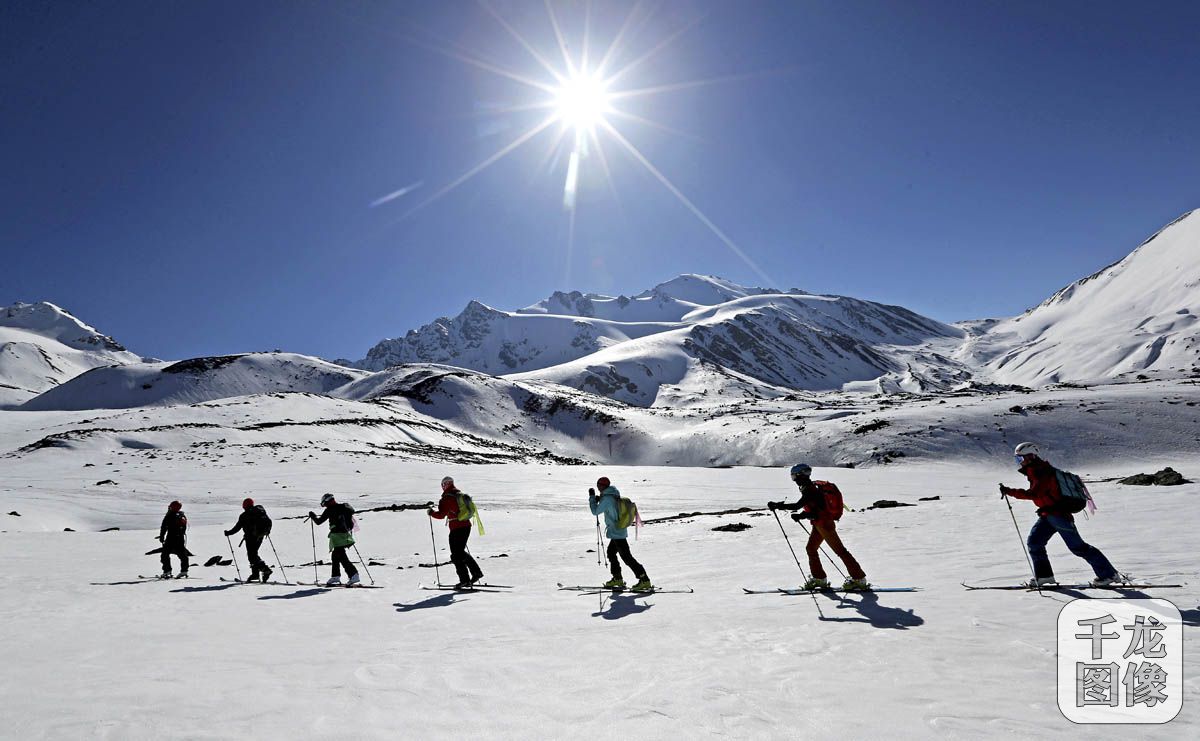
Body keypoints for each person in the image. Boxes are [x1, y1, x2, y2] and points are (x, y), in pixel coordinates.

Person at [1000, 442, 1121, 587]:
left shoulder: (1041, 472)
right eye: (1017, 459)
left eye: (1020, 459)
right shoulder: (1035, 471)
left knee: (1078, 547)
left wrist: (1010, 491)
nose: (1019, 463)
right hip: (1048, 514)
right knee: (1035, 543)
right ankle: (1044, 577)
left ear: (1030, 456)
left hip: (1058, 515)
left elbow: (1034, 494)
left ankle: (1108, 574)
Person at [768, 464, 869, 591]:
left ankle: (859, 579)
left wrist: (778, 506)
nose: (793, 479)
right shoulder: (809, 488)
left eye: (794, 476)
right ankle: (819, 578)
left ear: (800, 475)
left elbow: (798, 505)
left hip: (824, 525)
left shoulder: (810, 489)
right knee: (811, 548)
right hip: (819, 524)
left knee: (840, 551)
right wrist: (802, 516)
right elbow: (816, 509)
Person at [589, 476, 652, 591]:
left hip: (617, 532)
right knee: (611, 553)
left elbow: (595, 511)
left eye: (599, 485)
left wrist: (592, 498)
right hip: (618, 531)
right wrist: (600, 498)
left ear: (603, 486)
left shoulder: (607, 499)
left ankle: (644, 580)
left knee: (627, 557)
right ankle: (617, 578)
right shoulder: (613, 495)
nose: (598, 487)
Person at [428, 476, 484, 589]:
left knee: (456, 555)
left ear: (445, 485)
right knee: (459, 552)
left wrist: (431, 513)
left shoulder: (447, 498)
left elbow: (441, 515)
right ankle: (475, 573)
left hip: (456, 528)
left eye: (443, 485)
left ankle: (465, 580)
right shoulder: (459, 494)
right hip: (466, 526)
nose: (442, 487)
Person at [308, 493, 359, 586]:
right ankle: (337, 576)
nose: (324, 505)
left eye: (324, 503)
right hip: (345, 534)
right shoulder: (343, 507)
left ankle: (353, 575)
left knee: (340, 556)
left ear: (327, 502)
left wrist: (313, 516)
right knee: (336, 555)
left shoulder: (329, 510)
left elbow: (319, 522)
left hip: (337, 536)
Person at [224, 498, 273, 583]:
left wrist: (228, 533)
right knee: (253, 555)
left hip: (251, 538)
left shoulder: (244, 515)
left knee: (252, 555)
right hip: (260, 536)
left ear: (244, 505)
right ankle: (255, 574)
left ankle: (265, 570)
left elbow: (237, 528)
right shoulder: (259, 511)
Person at [158, 500, 189, 578]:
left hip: (171, 538)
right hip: (180, 538)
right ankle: (184, 570)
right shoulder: (182, 515)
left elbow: (164, 527)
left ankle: (167, 570)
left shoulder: (169, 515)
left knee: (164, 555)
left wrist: (162, 537)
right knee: (182, 555)